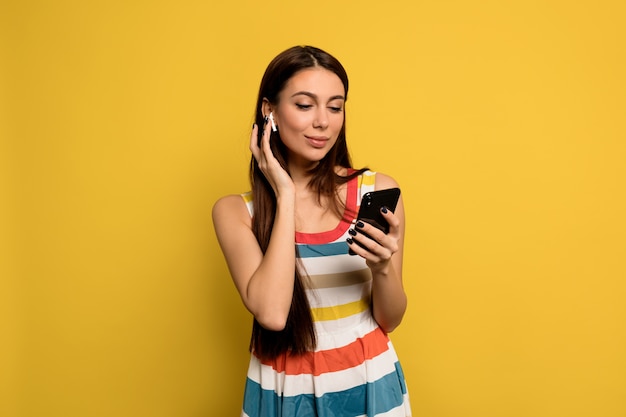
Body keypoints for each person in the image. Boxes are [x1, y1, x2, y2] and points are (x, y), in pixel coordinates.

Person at [212, 45, 411, 417]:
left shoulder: (376, 192)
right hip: (285, 389)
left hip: (367, 381)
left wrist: (383, 268)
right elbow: (272, 315)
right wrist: (285, 194)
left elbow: (390, 319)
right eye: (305, 105)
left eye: (335, 107)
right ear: (269, 111)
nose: (323, 122)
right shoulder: (236, 212)